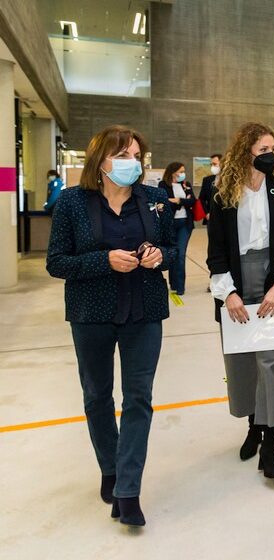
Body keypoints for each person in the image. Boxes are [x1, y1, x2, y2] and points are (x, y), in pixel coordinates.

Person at [45, 125, 176, 527]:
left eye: (137, 156)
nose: (132, 163)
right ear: (101, 161)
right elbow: (56, 262)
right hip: (91, 314)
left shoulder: (154, 200)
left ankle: (129, 490)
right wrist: (103, 261)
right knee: (97, 396)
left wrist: (159, 257)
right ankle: (110, 467)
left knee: (138, 398)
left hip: (144, 311)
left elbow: (172, 250)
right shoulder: (71, 203)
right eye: (124, 156)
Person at [206, 122, 274, 480]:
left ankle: (271, 443)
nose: (270, 156)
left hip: (272, 277)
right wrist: (227, 292)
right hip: (235, 279)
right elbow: (216, 250)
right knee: (243, 361)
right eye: (263, 150)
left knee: (273, 362)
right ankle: (253, 428)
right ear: (246, 151)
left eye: (273, 150)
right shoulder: (223, 194)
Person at [159, 162, 195, 295]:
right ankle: (173, 283)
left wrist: (178, 201)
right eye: (180, 171)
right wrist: (180, 201)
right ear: (173, 172)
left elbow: (193, 201)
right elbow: (164, 202)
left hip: (185, 224)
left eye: (183, 171)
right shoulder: (163, 185)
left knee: (180, 254)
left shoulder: (186, 185)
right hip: (170, 224)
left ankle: (180, 287)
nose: (182, 174)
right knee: (172, 254)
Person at [199, 153, 222, 226]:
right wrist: (206, 213)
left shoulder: (230, 179)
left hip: (226, 217)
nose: (212, 167)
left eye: (214, 164)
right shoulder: (207, 180)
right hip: (211, 217)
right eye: (211, 164)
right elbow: (201, 198)